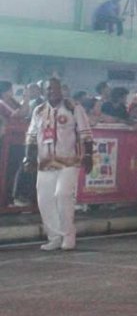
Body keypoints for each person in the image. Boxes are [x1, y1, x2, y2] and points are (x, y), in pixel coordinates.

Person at [21, 77, 93, 251]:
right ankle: (54, 237)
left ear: (61, 89)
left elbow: (85, 133)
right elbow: (31, 136)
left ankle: (68, 235)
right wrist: (28, 158)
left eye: (53, 89)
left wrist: (89, 155)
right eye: (47, 89)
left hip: (68, 161)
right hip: (45, 162)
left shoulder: (73, 107)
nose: (50, 92)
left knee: (63, 195)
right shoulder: (38, 110)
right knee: (45, 200)